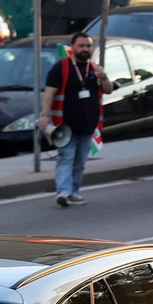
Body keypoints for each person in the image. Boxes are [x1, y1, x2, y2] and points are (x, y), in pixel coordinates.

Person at [40, 32, 115, 208]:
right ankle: (63, 192)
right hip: (65, 126)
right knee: (66, 158)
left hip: (88, 125)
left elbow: (108, 90)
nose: (85, 49)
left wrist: (103, 76)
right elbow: (49, 92)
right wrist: (45, 115)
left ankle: (73, 192)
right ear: (72, 47)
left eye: (88, 46)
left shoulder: (95, 69)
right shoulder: (61, 67)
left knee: (80, 162)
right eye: (81, 46)